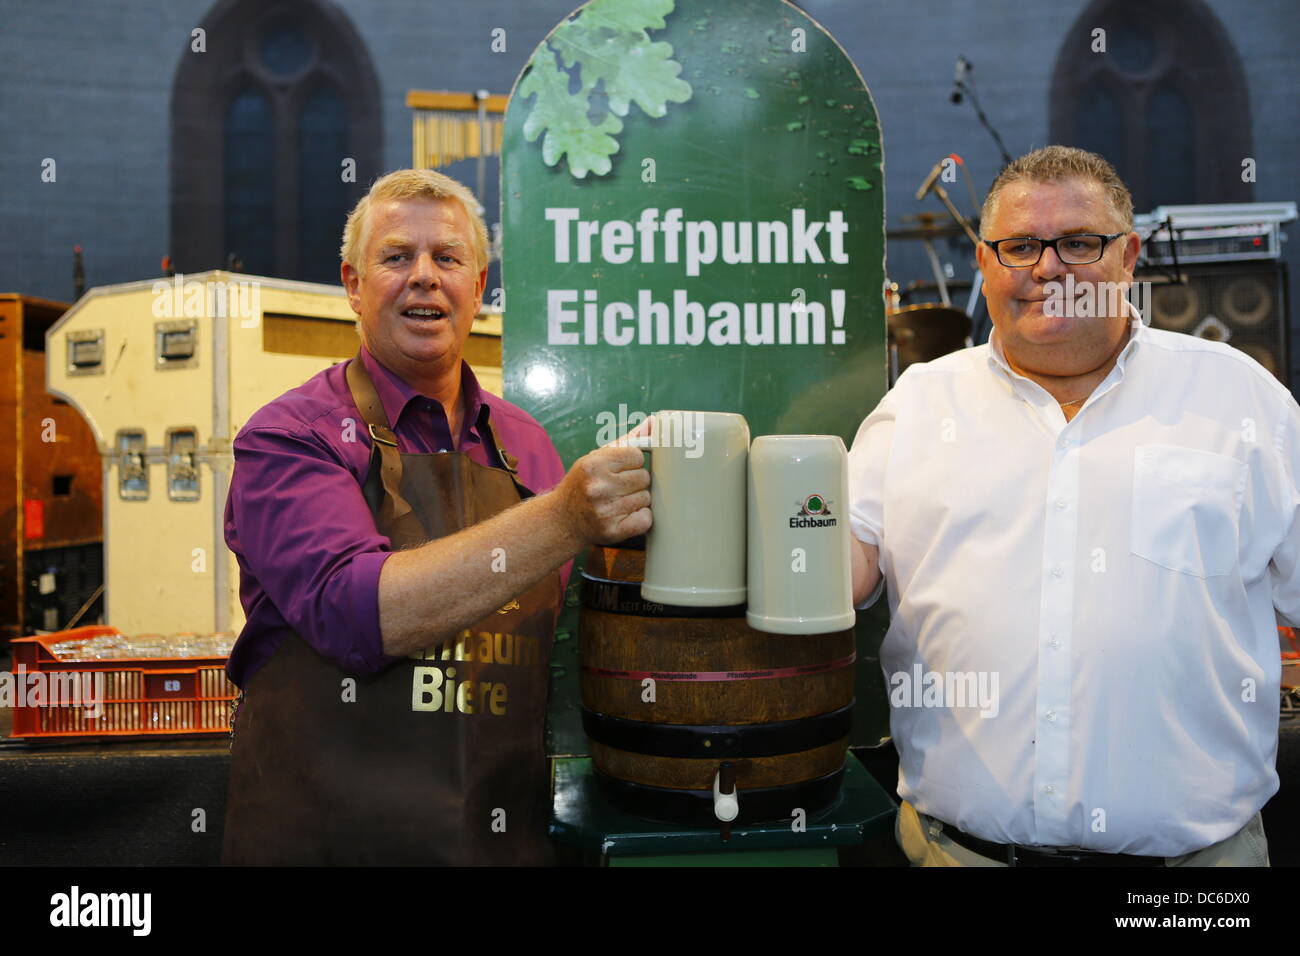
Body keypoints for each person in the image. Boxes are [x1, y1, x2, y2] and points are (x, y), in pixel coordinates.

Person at [848, 145, 1299, 867]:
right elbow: (832, 574)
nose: (1048, 268)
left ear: (1129, 257)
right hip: (957, 858)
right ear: (985, 262)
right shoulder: (918, 406)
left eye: (1079, 243)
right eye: (1020, 246)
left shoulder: (1241, 401)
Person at [220, 169, 650, 865]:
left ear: (478, 289)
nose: (424, 276)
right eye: (396, 257)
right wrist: (565, 520)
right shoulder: (291, 436)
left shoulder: (528, 447)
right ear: (353, 285)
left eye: (447, 258)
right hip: (330, 846)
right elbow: (356, 613)